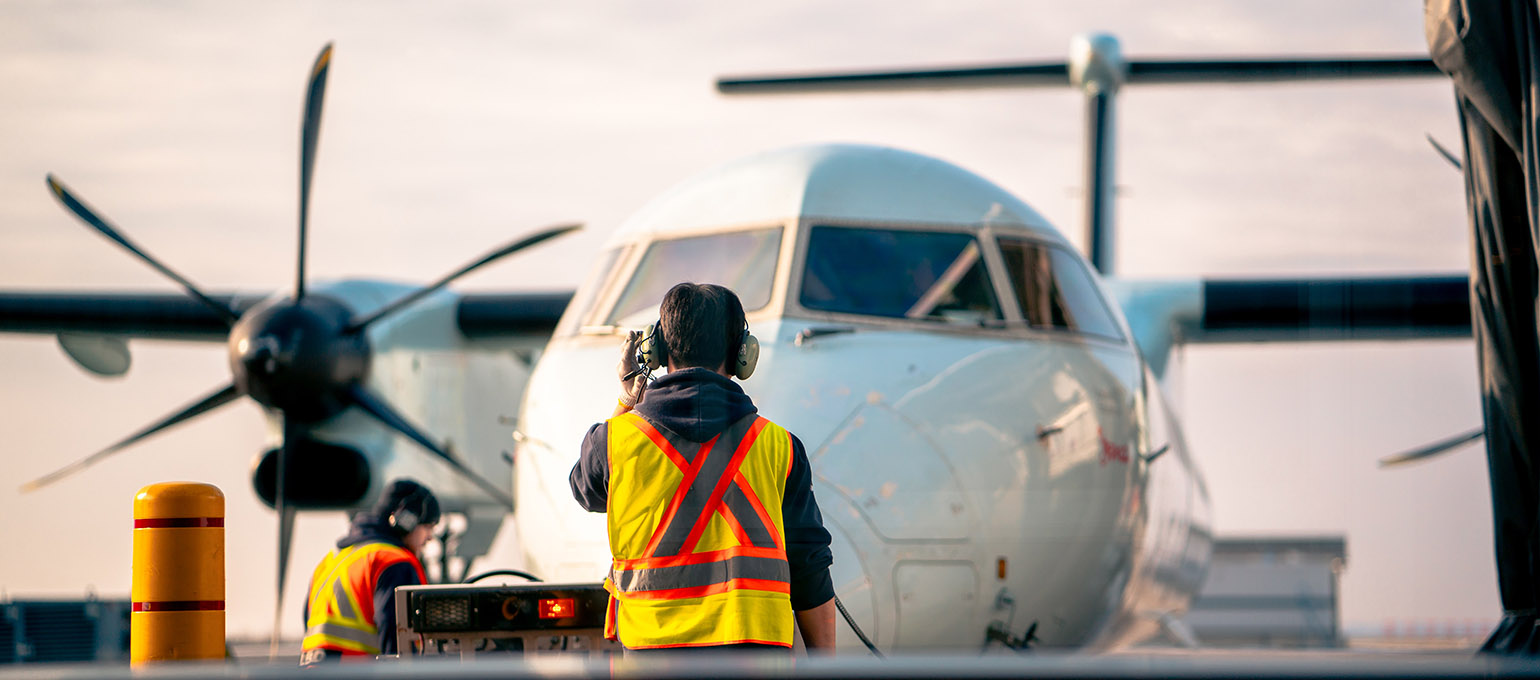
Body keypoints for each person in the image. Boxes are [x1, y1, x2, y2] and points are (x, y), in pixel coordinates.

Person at [569, 282, 837, 653]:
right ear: (742, 354)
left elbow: (585, 490)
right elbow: (809, 566)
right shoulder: (780, 448)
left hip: (650, 659)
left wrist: (626, 400)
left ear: (657, 349)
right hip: (755, 661)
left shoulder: (614, 442)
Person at [299, 478, 440, 665]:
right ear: (407, 521)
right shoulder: (393, 562)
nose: (429, 537)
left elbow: (307, 622)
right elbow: (397, 636)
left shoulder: (330, 561)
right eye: (428, 527)